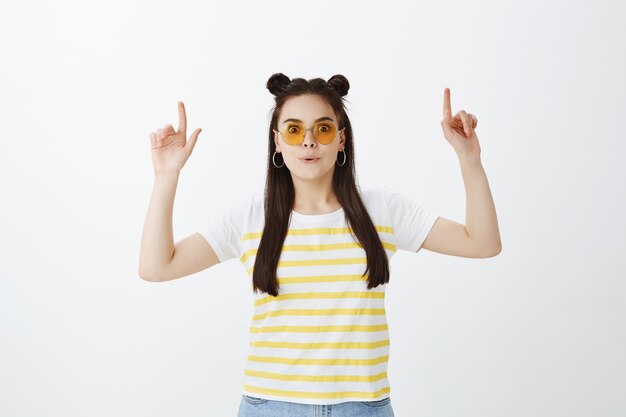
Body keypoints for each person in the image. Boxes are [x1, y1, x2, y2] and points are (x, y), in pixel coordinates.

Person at [139, 73, 502, 417]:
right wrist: (166, 175)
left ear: (341, 139)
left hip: (362, 407)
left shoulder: (382, 209)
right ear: (277, 141)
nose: (309, 142)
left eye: (323, 129)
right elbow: (157, 267)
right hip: (271, 406)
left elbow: (482, 243)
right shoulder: (251, 217)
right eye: (294, 130)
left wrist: (469, 158)